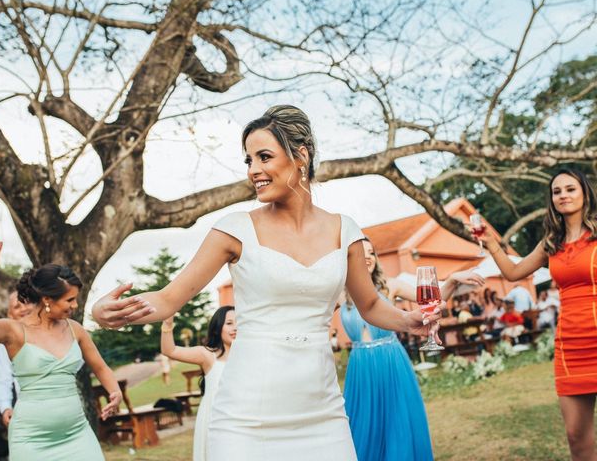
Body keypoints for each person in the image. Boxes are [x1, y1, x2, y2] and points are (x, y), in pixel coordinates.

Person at [91, 105, 444, 460]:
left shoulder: (344, 230)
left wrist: (407, 320)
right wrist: (109, 313)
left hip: (323, 413)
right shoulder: (235, 229)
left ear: (300, 155)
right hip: (246, 417)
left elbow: (368, 304)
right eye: (248, 160)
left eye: (264, 156)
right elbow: (169, 299)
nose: (253, 170)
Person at [0, 228, 122, 460]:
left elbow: (100, 367)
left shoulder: (75, 329)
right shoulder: (15, 331)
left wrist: (114, 391)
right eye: (69, 300)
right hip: (31, 440)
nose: (75, 306)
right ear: (48, 300)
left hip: (77, 434)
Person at [474, 168, 597, 460]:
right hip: (570, 343)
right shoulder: (550, 243)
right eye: (557, 191)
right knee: (576, 435)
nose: (564, 195)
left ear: (584, 193)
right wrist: (492, 243)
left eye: (570, 189)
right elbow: (514, 272)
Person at [341, 238, 484, 461]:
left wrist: (453, 281)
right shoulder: (341, 292)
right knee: (360, 423)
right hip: (360, 366)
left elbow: (432, 301)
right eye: (362, 253)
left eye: (371, 252)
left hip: (391, 360)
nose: (367, 257)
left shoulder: (390, 285)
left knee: (396, 422)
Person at [160, 306, 236, 461]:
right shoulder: (207, 355)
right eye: (229, 323)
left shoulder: (251, 356)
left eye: (239, 322)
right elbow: (169, 350)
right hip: (217, 419)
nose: (235, 328)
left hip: (243, 417)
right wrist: (167, 323)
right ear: (217, 328)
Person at [0, 291, 33, 428]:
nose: (24, 309)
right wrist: (6, 407)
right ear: (10, 315)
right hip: (27, 409)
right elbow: (2, 378)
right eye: (17, 306)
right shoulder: (5, 342)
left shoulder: (54, 330)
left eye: (26, 303)